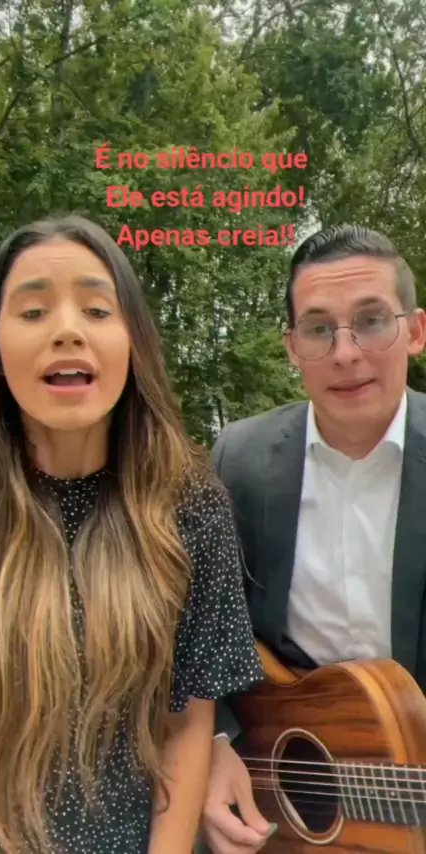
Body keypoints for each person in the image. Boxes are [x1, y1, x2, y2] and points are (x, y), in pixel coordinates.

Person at [0, 214, 265, 854]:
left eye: (96, 310)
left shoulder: (192, 506)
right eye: (33, 312)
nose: (67, 330)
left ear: (132, 343)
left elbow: (186, 722)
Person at [200, 224, 426, 854]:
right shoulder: (239, 460)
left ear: (416, 331)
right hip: (280, 804)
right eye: (319, 329)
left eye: (372, 321)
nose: (345, 353)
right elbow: (193, 622)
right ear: (292, 347)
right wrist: (216, 743)